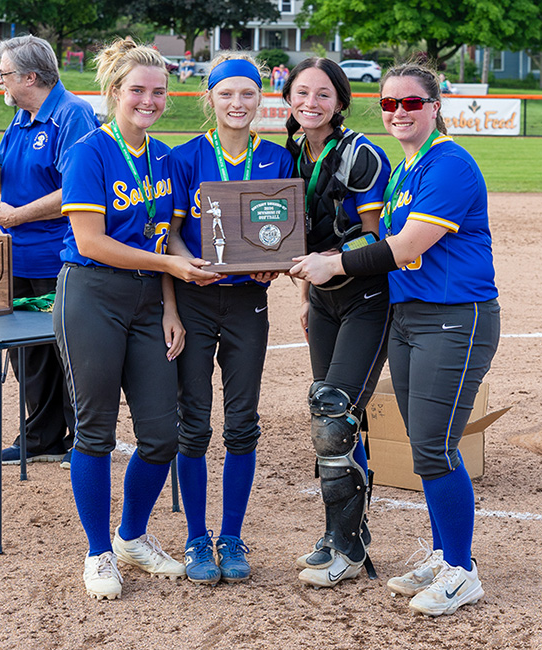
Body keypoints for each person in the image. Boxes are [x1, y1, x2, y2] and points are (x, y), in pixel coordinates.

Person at [289, 61, 501, 617]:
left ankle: (461, 570)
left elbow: (404, 249)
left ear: (435, 107)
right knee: (426, 444)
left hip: (456, 318)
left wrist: (333, 263)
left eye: (411, 103)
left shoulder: (449, 164)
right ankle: (444, 553)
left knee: (433, 447)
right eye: (389, 104)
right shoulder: (409, 168)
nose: (399, 112)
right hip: (412, 318)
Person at [55, 38, 220, 600]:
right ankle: (98, 552)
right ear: (113, 93)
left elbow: (168, 233)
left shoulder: (165, 158)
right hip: (92, 295)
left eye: (158, 91)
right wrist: (168, 264)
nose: (148, 101)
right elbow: (91, 241)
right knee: (95, 430)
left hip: (151, 301)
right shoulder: (88, 151)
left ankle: (130, 537)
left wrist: (172, 303)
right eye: (137, 91)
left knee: (160, 435)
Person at [167, 53, 293, 585]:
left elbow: (284, 235)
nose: (237, 104)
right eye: (226, 94)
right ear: (210, 99)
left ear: (260, 97)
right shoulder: (186, 156)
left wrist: (274, 266)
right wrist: (183, 276)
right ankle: (198, 537)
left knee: (242, 422)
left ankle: (233, 535)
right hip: (195, 299)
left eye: (247, 94)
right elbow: (170, 237)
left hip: (248, 304)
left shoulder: (280, 159)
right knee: (192, 423)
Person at [280, 57, 392, 588]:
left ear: (341, 102)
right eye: (301, 93)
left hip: (366, 298)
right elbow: (301, 237)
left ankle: (347, 549)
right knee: (330, 419)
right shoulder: (291, 152)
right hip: (324, 302)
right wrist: (306, 294)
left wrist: (329, 267)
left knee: (334, 412)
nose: (311, 103)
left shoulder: (361, 155)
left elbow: (376, 240)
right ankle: (340, 536)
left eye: (323, 95)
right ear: (287, 99)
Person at [0, 36, 99, 468]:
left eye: (3, 73)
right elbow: (9, 184)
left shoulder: (71, 114)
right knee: (29, 355)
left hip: (60, 253)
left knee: (72, 351)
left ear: (30, 76)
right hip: (19, 253)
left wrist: (20, 215)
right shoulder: (22, 118)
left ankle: (84, 437)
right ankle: (42, 435)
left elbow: (77, 189)